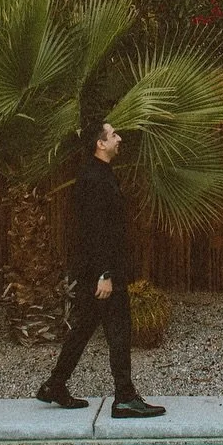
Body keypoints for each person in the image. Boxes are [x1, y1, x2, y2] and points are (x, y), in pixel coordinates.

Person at [36, 119, 165, 419]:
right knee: (119, 331)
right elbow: (94, 230)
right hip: (103, 272)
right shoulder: (94, 178)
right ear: (101, 143)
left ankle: (55, 385)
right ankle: (124, 398)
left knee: (82, 329)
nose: (119, 139)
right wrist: (105, 274)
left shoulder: (100, 173)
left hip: (98, 269)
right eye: (113, 134)